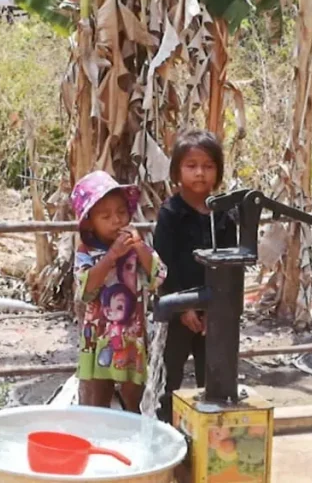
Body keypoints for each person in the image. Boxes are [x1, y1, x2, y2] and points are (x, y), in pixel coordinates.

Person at [153, 130, 237, 422]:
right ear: (177, 171)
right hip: (176, 311)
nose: (200, 173)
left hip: (214, 314)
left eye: (208, 166)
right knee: (167, 378)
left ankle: (209, 438)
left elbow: (232, 265)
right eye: (191, 165)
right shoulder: (170, 214)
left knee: (214, 379)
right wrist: (183, 308)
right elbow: (162, 264)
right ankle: (163, 433)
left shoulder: (224, 216)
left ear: (218, 171)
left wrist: (218, 312)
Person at [72, 170, 166, 411]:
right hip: (98, 337)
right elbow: (85, 289)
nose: (116, 220)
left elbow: (158, 276)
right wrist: (111, 256)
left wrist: (140, 247)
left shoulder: (136, 247)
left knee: (134, 400)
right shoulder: (86, 251)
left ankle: (131, 440)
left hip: (130, 336)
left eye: (122, 213)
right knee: (97, 401)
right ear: (90, 222)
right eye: (106, 216)